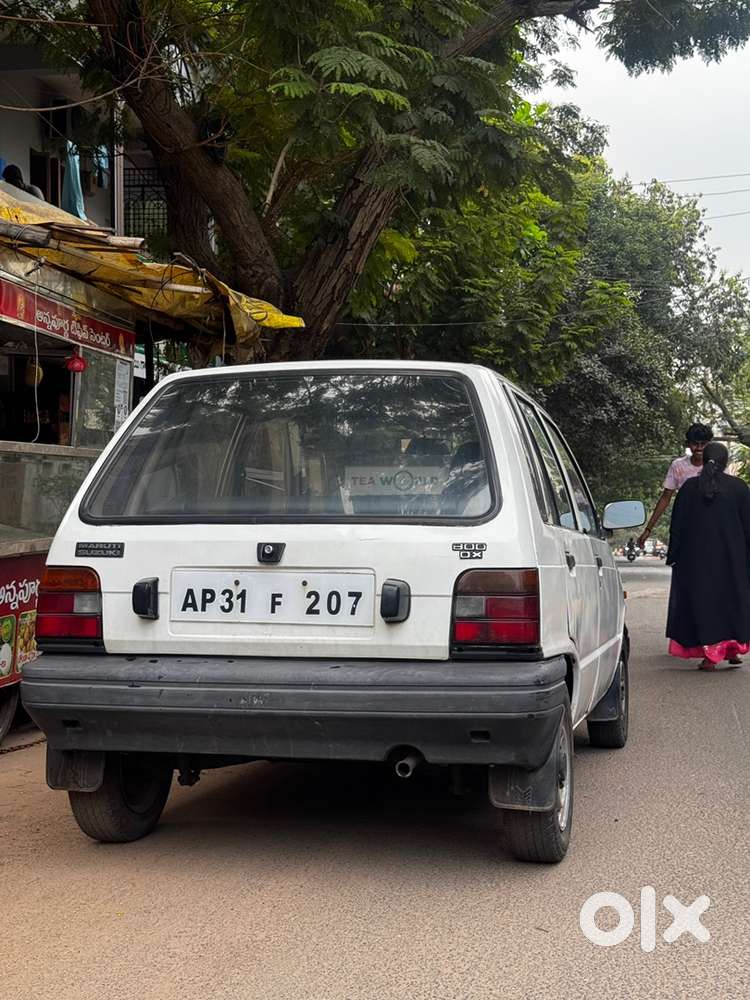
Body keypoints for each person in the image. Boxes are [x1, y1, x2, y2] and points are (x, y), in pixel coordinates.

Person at [666, 442, 750, 671]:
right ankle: (727, 651)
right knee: (730, 605)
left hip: (696, 561)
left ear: (704, 461)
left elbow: (677, 526)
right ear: (726, 463)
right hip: (732, 560)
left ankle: (713, 656)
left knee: (704, 605)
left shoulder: (690, 488)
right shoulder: (739, 488)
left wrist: (673, 555)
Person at [638, 423, 713, 549]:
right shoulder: (678, 466)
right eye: (695, 444)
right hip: (685, 525)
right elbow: (665, 498)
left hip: (711, 525)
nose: (699, 448)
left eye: (703, 444)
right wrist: (648, 529)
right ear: (688, 444)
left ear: (709, 444)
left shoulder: (716, 466)